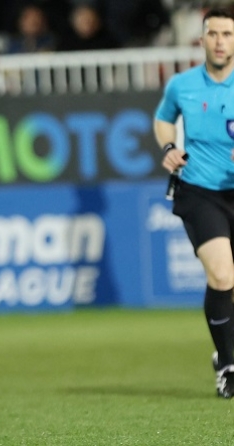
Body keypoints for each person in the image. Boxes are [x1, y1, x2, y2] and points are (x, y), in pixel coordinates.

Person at [154, 8, 234, 398]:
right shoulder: (182, 85)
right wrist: (169, 146)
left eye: (228, 34)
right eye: (213, 34)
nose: (220, 41)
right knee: (222, 275)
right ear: (201, 39)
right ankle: (229, 364)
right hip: (199, 191)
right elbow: (163, 119)